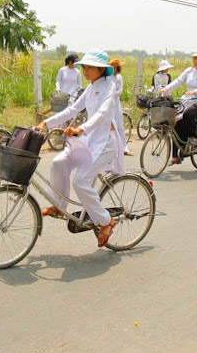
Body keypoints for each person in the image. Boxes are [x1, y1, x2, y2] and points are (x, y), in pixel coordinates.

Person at [35, 49, 122, 248]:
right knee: (58, 162)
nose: (86, 70)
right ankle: (58, 206)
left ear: (102, 69)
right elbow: (72, 109)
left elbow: (101, 113)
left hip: (104, 142)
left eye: (90, 67)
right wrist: (46, 122)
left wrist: (80, 128)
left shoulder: (110, 86)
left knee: (81, 182)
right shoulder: (90, 88)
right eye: (85, 67)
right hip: (89, 139)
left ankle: (107, 221)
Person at [159, 48, 197, 165]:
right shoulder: (189, 71)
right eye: (195, 58)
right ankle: (175, 155)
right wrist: (166, 88)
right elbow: (178, 81)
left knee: (188, 114)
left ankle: (195, 139)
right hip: (188, 100)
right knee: (176, 121)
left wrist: (195, 91)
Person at [109, 58, 132, 156]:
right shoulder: (107, 77)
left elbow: (120, 91)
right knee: (109, 127)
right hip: (108, 105)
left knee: (120, 127)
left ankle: (124, 148)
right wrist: (112, 93)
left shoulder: (119, 77)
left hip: (117, 104)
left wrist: (113, 93)